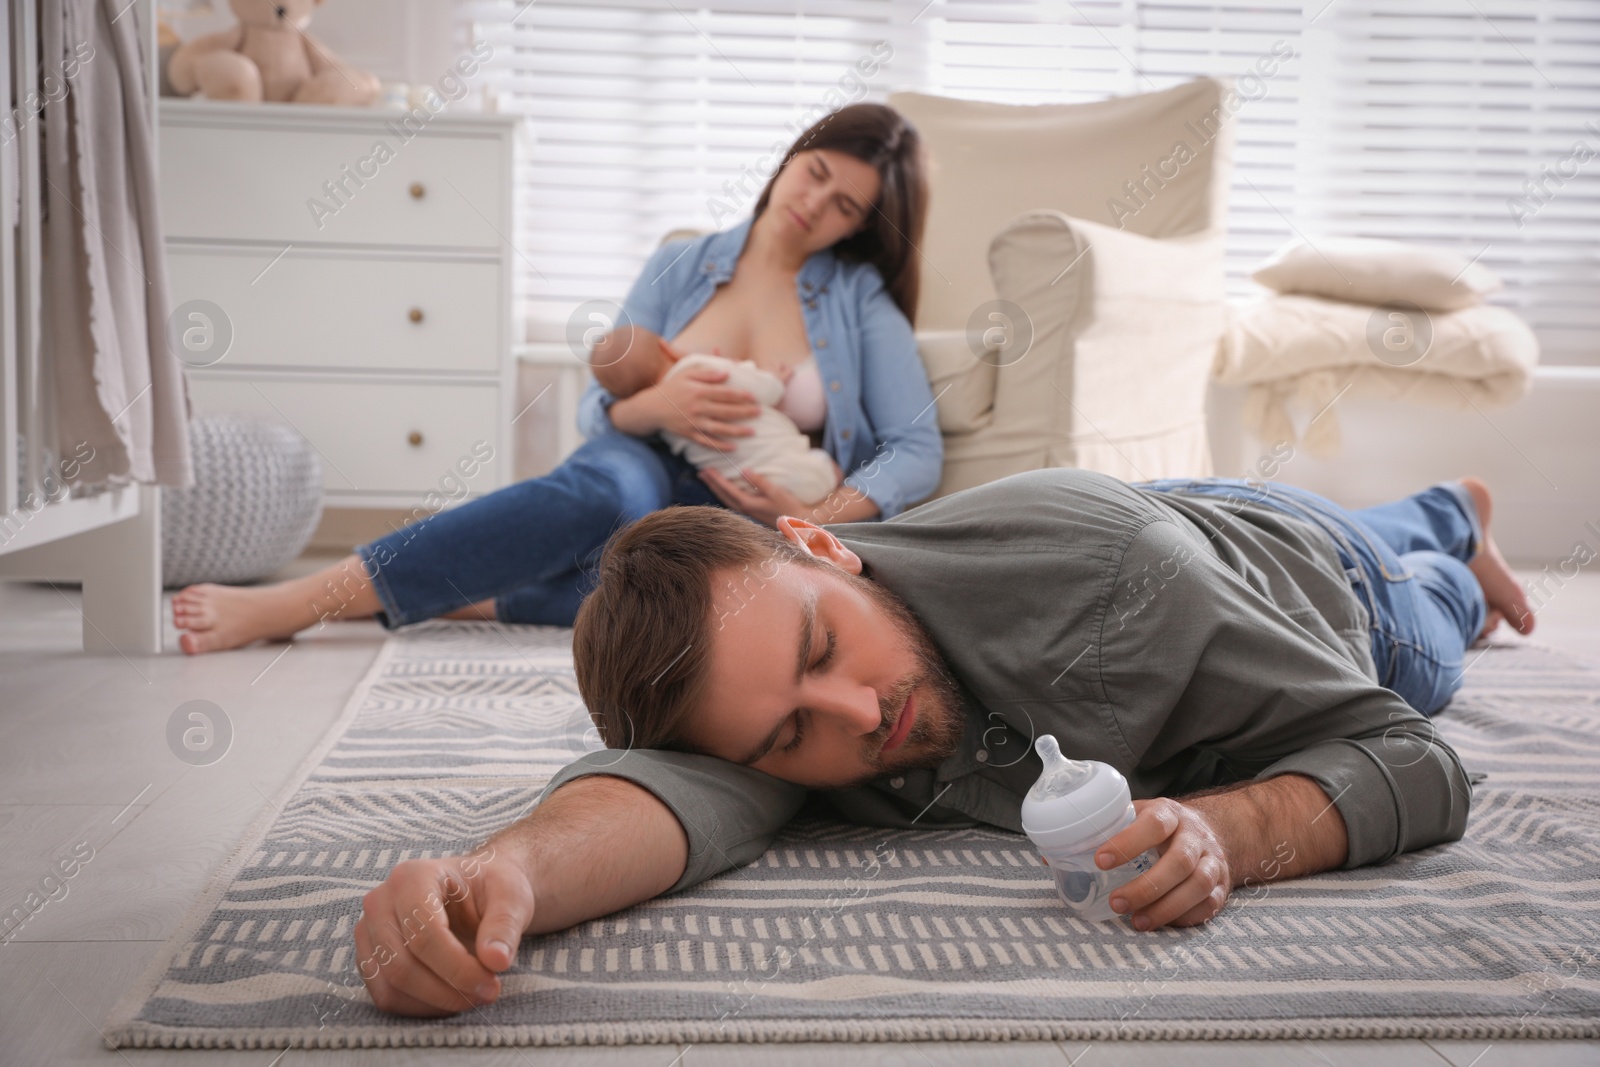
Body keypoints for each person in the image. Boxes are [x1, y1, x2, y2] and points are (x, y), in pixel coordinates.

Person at [351, 467, 1534, 1017]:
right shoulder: (759, 712)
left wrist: (1235, 826)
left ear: (821, 546)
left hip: (1305, 573)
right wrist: (498, 872)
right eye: (791, 729)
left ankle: (1442, 521)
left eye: (826, 651)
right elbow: (649, 802)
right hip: (1153, 513)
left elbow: (1413, 758)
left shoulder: (1125, 586)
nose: (862, 717)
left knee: (1433, 622)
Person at [169, 103, 942, 652]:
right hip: (641, 455)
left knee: (688, 604)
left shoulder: (857, 300)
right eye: (812, 174)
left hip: (754, 504)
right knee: (602, 496)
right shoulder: (683, 260)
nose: (813, 205)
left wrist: (812, 517)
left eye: (844, 206)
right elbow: (601, 403)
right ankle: (300, 602)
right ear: (790, 158)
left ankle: (466, 591)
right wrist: (658, 403)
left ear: (860, 227)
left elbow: (915, 446)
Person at [590, 333, 841, 506]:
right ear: (666, 347)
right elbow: (765, 390)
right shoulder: (698, 366)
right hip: (797, 470)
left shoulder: (666, 426)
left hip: (745, 493)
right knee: (831, 471)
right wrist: (772, 377)